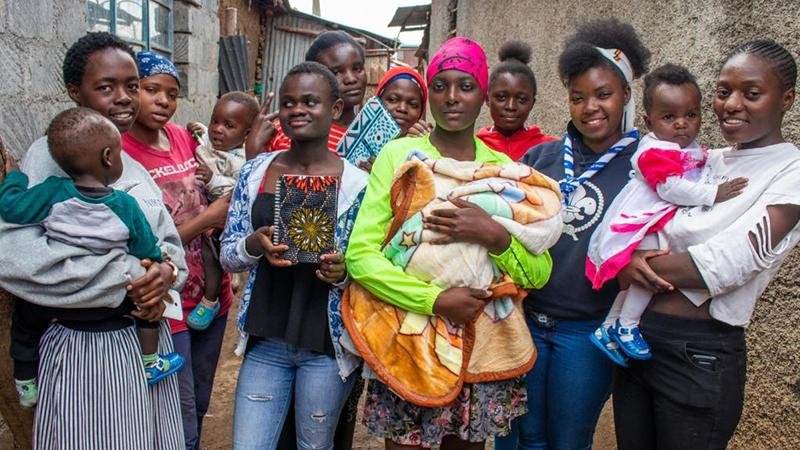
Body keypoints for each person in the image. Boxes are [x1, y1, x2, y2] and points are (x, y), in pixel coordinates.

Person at [345, 36, 553, 450]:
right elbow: (361, 256)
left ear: (483, 96)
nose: (452, 98)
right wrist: (434, 301)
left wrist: (494, 236)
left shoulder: (503, 171)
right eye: (439, 86)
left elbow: (540, 271)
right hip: (409, 341)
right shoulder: (399, 157)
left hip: (480, 346)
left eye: (465, 86)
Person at [0, 31, 186, 449]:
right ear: (74, 91)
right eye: (106, 87)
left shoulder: (126, 159)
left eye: (132, 85)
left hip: (139, 340)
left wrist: (167, 271)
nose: (124, 98)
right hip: (85, 348)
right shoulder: (52, 159)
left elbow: (165, 240)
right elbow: (17, 258)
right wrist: (131, 277)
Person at [613, 39, 799, 450]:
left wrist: (626, 265)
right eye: (722, 91)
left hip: (699, 353)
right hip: (639, 340)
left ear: (786, 99)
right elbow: (639, 212)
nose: (732, 104)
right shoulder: (703, 159)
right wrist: (626, 255)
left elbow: (730, 262)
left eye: (751, 93)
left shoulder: (791, 173)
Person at [495, 19, 651, 450]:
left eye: (603, 95)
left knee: (567, 442)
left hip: (585, 330)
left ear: (626, 95)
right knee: (515, 438)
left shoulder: (646, 165)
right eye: (578, 97)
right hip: (523, 320)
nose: (590, 108)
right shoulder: (540, 157)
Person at [221, 61, 368, 449]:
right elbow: (228, 257)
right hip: (266, 341)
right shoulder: (255, 173)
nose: (297, 110)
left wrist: (342, 272)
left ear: (335, 110)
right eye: (288, 103)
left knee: (314, 446)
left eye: (309, 101)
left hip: (326, 346)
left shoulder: (359, 185)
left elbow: (370, 265)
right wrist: (254, 244)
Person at [586, 64, 748, 363]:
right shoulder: (654, 151)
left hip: (652, 220)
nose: (682, 124)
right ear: (649, 121)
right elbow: (670, 188)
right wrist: (712, 194)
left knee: (640, 279)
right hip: (640, 222)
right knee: (649, 273)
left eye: (690, 115)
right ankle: (627, 326)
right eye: (669, 117)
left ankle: (608, 327)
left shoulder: (686, 148)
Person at [122, 51, 234, 450]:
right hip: (168, 304)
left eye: (172, 93)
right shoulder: (118, 154)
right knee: (178, 410)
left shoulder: (183, 138)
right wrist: (207, 220)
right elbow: (143, 244)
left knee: (201, 401)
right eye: (151, 90)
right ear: (133, 91)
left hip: (212, 296)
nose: (163, 101)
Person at [186, 91, 259, 330]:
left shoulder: (241, 160)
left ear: (246, 135)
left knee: (212, 256)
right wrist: (198, 128)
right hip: (208, 212)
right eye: (214, 121)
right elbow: (207, 139)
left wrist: (212, 179)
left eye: (228, 125)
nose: (218, 129)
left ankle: (211, 299)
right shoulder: (216, 142)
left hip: (226, 218)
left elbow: (236, 189)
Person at [246, 30, 368, 159]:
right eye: (336, 72)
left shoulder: (374, 137)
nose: (351, 79)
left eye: (357, 69)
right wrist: (253, 152)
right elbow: (258, 175)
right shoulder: (286, 129)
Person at [476, 41, 556, 160]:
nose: (511, 106)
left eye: (522, 99)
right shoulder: (474, 147)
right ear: (487, 99)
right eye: (502, 97)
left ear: (532, 104)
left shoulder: (551, 149)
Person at [376, 66, 428, 137]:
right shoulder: (358, 138)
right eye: (393, 100)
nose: (402, 108)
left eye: (413, 104)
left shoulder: (423, 145)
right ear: (378, 101)